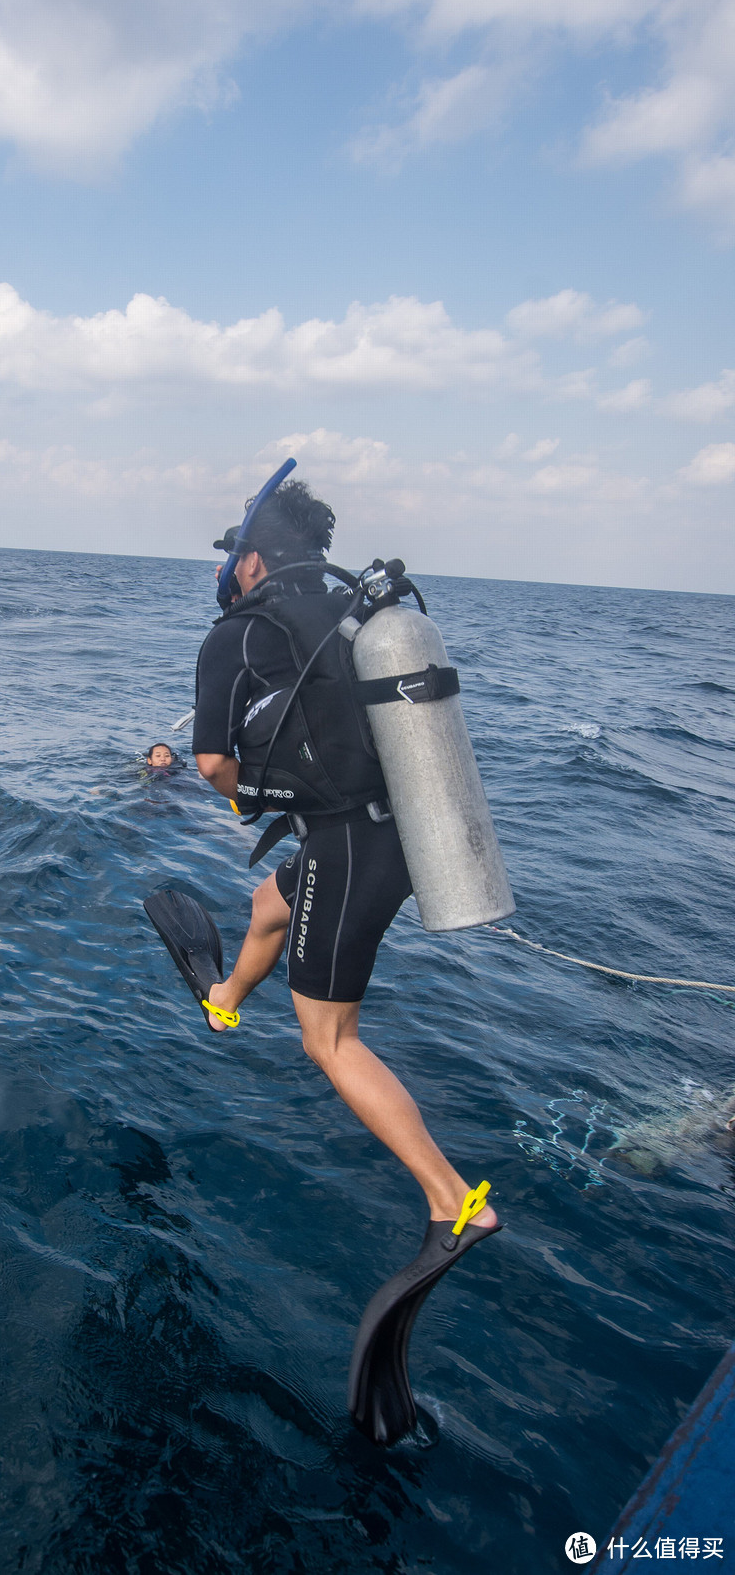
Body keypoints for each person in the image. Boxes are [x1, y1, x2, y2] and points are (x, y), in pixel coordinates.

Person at [190, 479, 498, 1238]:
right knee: (271, 905)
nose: (232, 567)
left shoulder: (237, 635)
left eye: (236, 553)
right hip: (401, 829)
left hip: (347, 845)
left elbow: (208, 764)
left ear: (255, 561)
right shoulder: (354, 616)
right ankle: (226, 999)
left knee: (330, 1039)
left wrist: (244, 797)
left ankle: (454, 1199)